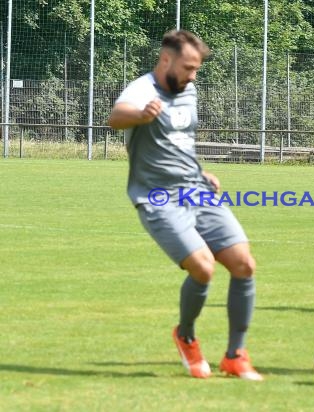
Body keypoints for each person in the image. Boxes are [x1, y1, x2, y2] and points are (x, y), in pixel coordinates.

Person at [108, 30, 262, 381]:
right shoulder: (143, 90)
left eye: (196, 69)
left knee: (243, 264)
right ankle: (186, 335)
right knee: (204, 268)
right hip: (157, 197)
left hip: (196, 189)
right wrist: (141, 115)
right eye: (189, 67)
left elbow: (181, 141)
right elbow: (115, 117)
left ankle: (236, 355)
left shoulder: (188, 89)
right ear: (166, 60)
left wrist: (199, 170)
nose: (194, 75)